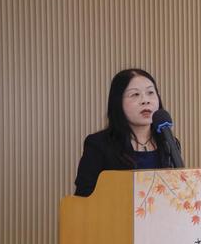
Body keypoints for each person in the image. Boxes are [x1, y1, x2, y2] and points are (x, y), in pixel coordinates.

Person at [74, 68, 180, 196]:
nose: (145, 100)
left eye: (150, 92)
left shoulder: (169, 143)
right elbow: (84, 196)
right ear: (118, 102)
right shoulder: (98, 145)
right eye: (135, 94)